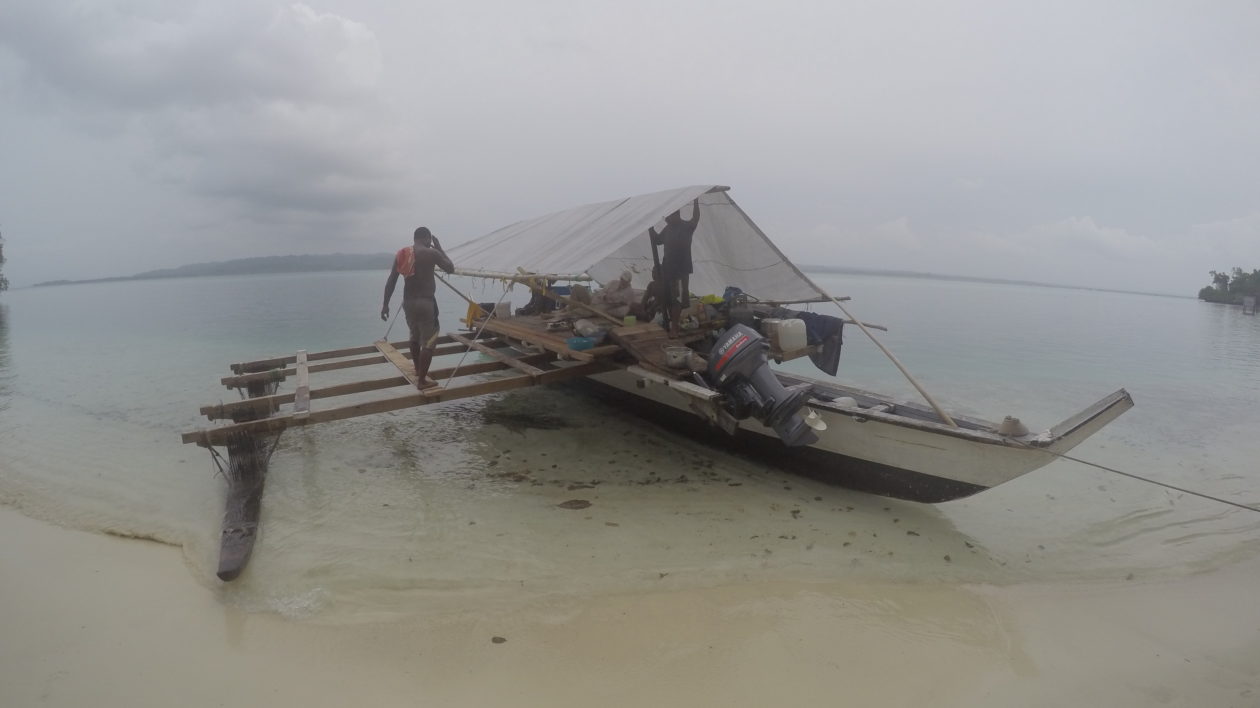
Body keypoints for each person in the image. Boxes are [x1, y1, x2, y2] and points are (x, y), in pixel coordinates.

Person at [381, 227, 454, 389]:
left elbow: (391, 280)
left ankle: (417, 369)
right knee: (429, 342)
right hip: (426, 303)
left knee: (414, 336)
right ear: (427, 238)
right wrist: (440, 249)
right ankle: (422, 381)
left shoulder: (402, 253)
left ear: (415, 238)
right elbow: (451, 268)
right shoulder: (432, 253)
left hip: (408, 303)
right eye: (430, 241)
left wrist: (385, 304)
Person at [649, 197, 700, 336]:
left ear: (676, 214)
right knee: (668, 298)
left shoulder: (687, 227)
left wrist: (696, 200)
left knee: (677, 299)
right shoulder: (668, 228)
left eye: (668, 217)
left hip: (681, 271)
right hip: (668, 269)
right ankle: (669, 324)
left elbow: (696, 218)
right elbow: (657, 241)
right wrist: (650, 226)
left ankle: (675, 328)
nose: (666, 220)